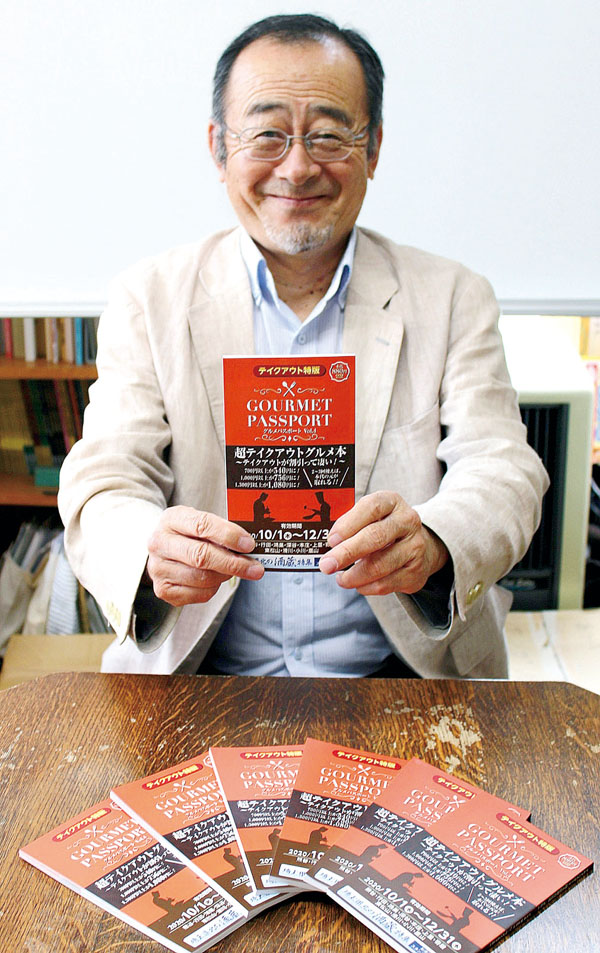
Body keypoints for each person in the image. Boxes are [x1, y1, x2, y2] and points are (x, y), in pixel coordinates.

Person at [58, 14, 548, 679]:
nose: (297, 167)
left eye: (328, 135)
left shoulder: (452, 295)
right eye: (267, 135)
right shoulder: (150, 298)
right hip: (205, 674)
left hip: (404, 675)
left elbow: (503, 468)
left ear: (373, 148)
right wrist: (149, 548)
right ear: (219, 148)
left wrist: (435, 540)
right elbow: (103, 480)